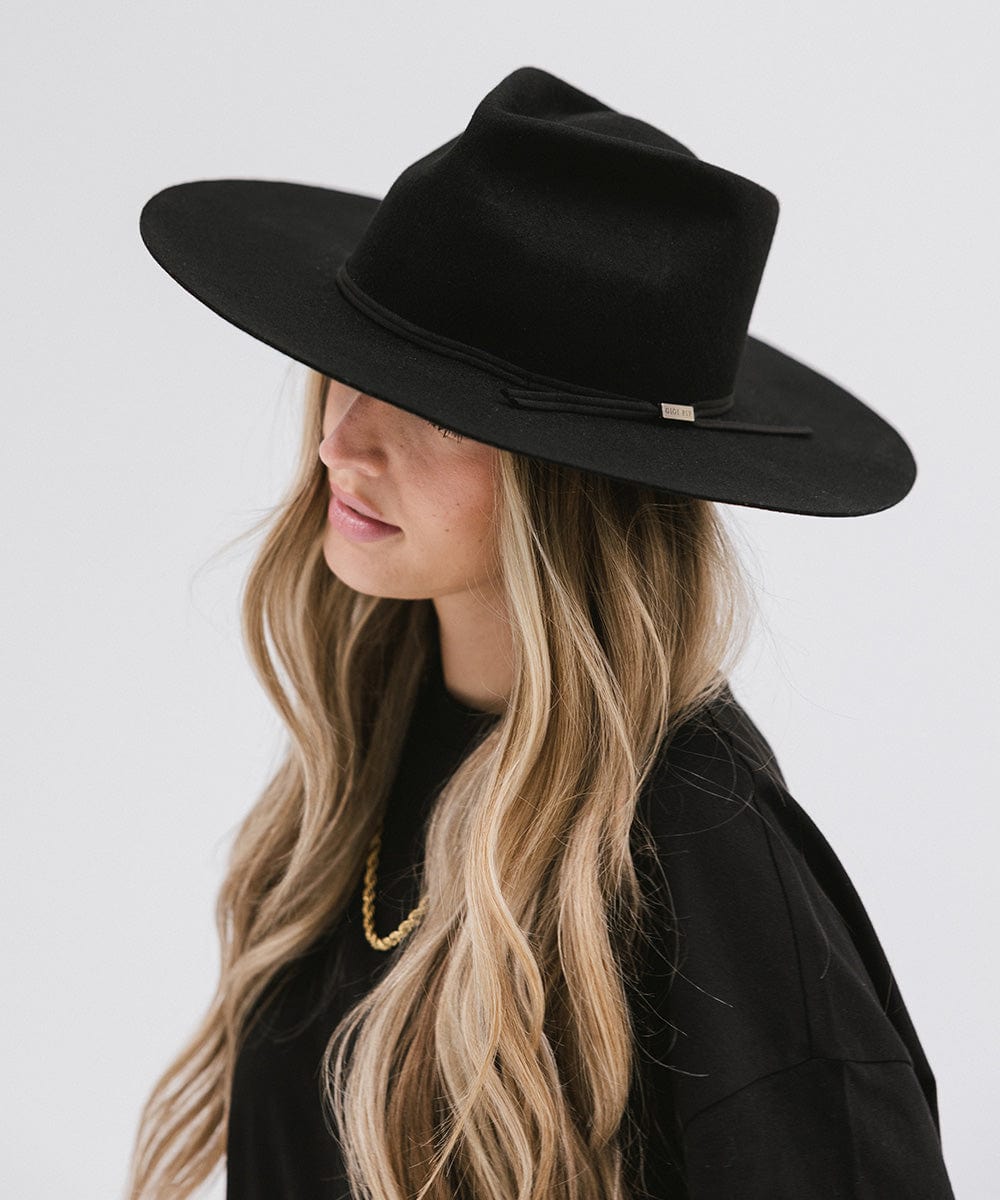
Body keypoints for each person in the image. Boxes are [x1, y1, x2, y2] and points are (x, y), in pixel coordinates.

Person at [128, 65, 955, 1200]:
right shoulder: (370, 760)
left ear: (580, 481)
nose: (341, 443)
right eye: (351, 371)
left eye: (432, 408)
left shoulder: (694, 852)